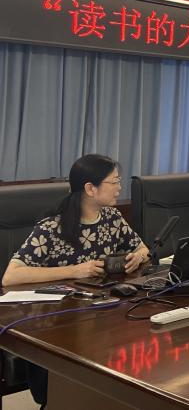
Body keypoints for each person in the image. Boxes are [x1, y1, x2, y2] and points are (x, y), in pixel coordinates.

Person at [2, 154, 149, 409]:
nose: (119, 187)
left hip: (100, 314)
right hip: (58, 323)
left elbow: (143, 249)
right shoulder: (52, 227)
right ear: (90, 188)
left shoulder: (112, 219)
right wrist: (75, 270)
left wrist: (137, 257)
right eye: (114, 182)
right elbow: (11, 275)